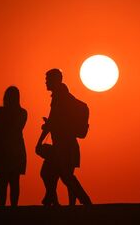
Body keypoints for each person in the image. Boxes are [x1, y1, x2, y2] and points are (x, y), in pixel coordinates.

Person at [36, 69, 91, 206]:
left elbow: (53, 121)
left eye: (48, 80)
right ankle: (54, 199)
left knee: (63, 176)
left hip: (64, 146)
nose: (46, 82)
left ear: (56, 80)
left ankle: (84, 201)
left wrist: (39, 141)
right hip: (65, 145)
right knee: (58, 175)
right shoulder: (62, 96)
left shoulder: (60, 98)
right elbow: (54, 122)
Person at [0, 86, 27, 207]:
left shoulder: (2, 112)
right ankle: (10, 207)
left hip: (5, 149)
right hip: (13, 149)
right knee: (12, 181)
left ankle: (3, 207)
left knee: (4, 181)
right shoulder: (22, 112)